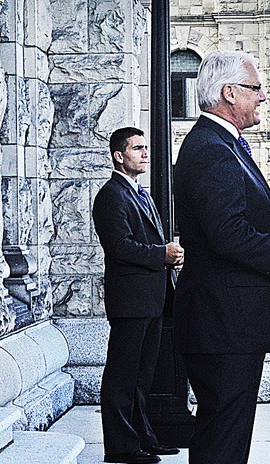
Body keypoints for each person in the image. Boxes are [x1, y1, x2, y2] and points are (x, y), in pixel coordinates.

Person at [172, 50, 270, 464]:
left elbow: (262, 208)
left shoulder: (224, 143)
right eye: (255, 89)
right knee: (223, 440)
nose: (263, 97)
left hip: (226, 323)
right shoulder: (211, 148)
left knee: (225, 435)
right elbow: (229, 233)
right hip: (223, 323)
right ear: (229, 93)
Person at [92, 127, 183, 464]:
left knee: (142, 377)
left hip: (151, 297)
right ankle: (121, 447)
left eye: (146, 147)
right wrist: (163, 254)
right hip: (130, 300)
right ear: (119, 155)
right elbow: (118, 247)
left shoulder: (139, 193)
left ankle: (143, 437)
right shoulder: (111, 195)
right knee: (122, 376)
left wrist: (169, 256)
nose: (145, 154)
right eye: (137, 149)